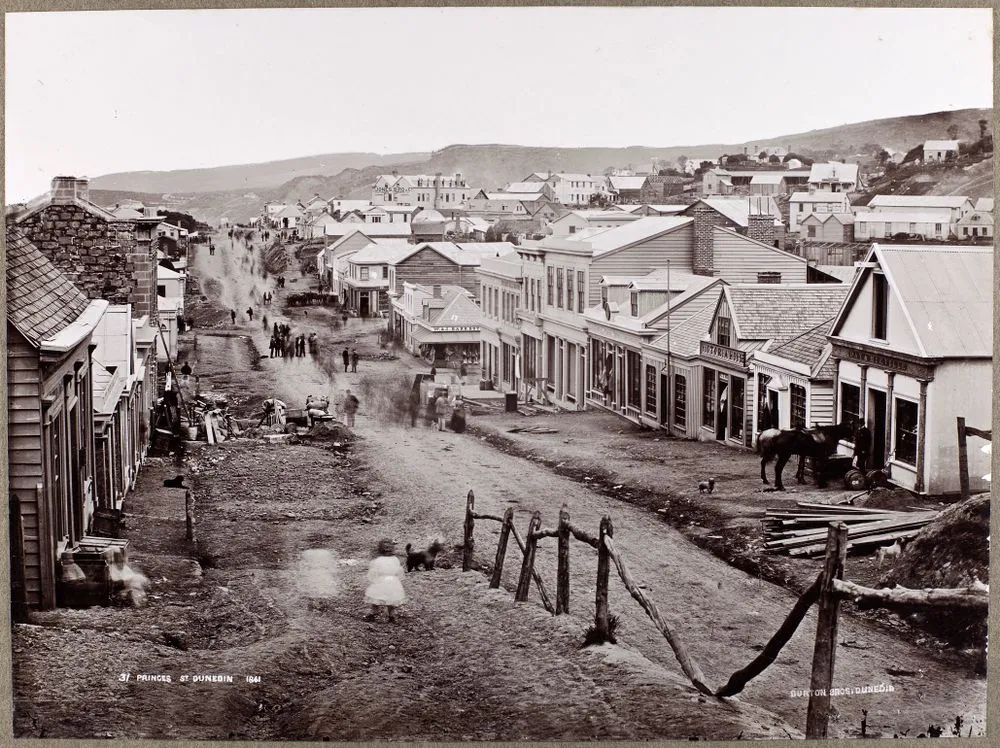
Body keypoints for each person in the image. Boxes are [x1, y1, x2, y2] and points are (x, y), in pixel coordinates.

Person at [364, 538, 405, 623]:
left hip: (381, 581)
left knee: (376, 597)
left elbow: (374, 572)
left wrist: (372, 580)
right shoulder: (395, 559)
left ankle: (374, 613)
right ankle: (391, 615)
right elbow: (399, 571)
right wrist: (397, 578)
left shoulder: (378, 560)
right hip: (392, 580)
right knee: (391, 599)